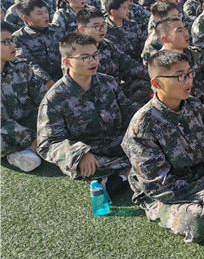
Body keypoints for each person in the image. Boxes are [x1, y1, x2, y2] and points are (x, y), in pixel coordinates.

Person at [121, 49, 204, 259]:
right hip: (169, 195)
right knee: (198, 218)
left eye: (189, 73)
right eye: (179, 76)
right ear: (157, 83)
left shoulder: (193, 105)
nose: (188, 81)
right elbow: (159, 185)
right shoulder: (143, 126)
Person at [37, 33, 139, 190]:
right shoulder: (55, 98)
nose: (93, 61)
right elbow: (47, 143)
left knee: (153, 143)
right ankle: (130, 171)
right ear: (67, 62)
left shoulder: (108, 82)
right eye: (85, 58)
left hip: (118, 143)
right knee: (86, 166)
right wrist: (79, 153)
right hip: (90, 153)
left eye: (95, 55)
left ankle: (122, 176)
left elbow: (129, 111)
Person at [77, 6, 152, 105]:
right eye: (96, 26)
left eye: (104, 25)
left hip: (115, 91)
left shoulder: (108, 45)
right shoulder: (76, 52)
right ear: (82, 29)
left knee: (146, 85)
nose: (102, 29)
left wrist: (156, 76)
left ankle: (125, 107)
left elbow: (129, 64)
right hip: (92, 99)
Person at [1, 21, 47, 172]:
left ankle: (26, 151)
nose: (12, 45)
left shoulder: (21, 66)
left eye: (12, 40)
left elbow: (43, 98)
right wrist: (33, 138)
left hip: (25, 120)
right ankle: (21, 152)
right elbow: (2, 123)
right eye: (6, 42)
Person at [13, 0, 64, 86]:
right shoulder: (19, 37)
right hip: (39, 83)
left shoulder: (57, 29)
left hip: (64, 76)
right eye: (40, 13)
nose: (45, 16)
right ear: (26, 18)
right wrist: (47, 81)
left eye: (46, 12)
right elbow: (28, 63)